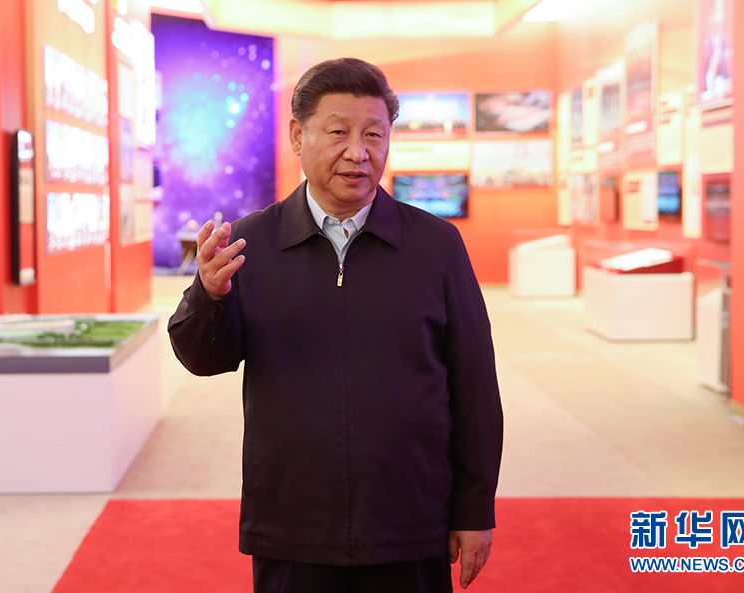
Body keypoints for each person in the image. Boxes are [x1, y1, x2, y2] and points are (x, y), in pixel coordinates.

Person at [168, 57, 503, 593]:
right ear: (298, 136)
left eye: (374, 134)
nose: (358, 152)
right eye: (339, 132)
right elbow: (204, 359)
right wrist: (209, 297)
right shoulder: (252, 244)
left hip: (410, 518)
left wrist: (474, 507)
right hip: (292, 522)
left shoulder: (436, 246)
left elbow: (475, 386)